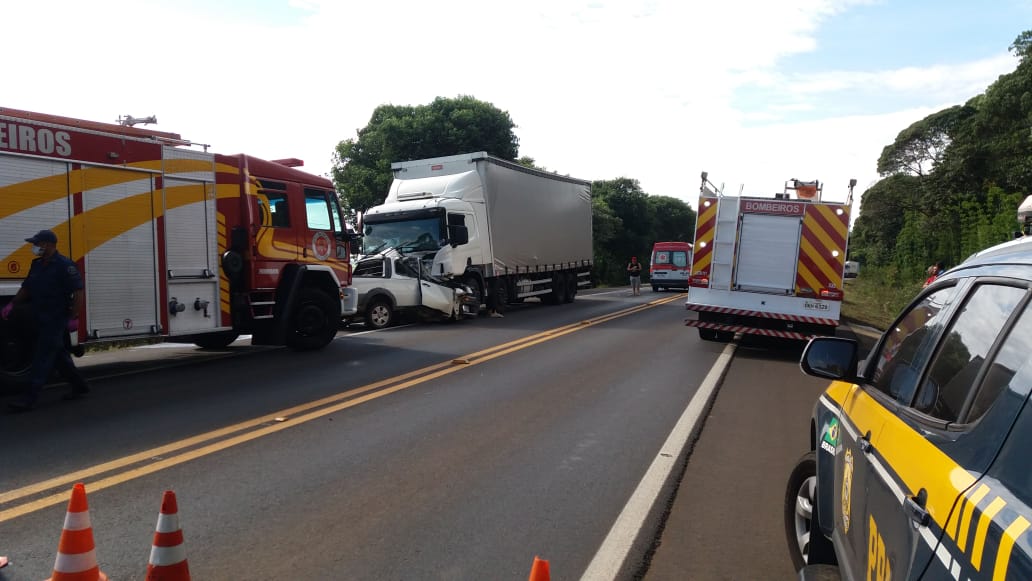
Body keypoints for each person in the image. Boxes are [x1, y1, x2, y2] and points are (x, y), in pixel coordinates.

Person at [2, 229, 90, 412]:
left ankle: (28, 398)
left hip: (55, 318)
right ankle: (79, 385)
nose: (34, 247)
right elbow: (26, 288)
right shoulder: (37, 265)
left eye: (37, 243)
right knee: (58, 354)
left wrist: (73, 316)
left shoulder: (65, 266)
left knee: (41, 357)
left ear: (48, 244)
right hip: (39, 316)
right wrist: (12, 304)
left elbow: (78, 293)